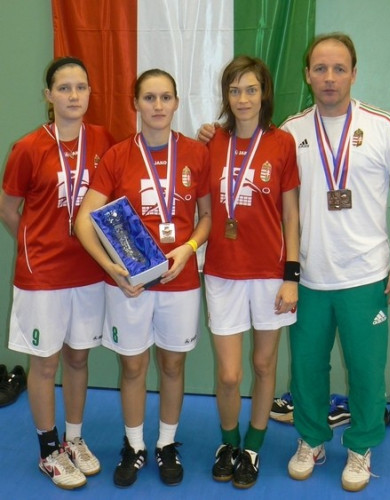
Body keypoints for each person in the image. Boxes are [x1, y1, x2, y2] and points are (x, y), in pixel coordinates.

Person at [280, 33, 390, 492]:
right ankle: (311, 439)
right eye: (320, 68)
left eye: (339, 68)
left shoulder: (383, 125)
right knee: (306, 370)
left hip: (366, 276)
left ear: (354, 74)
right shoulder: (290, 131)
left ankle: (361, 445)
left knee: (365, 370)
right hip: (309, 277)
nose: (329, 77)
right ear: (307, 74)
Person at [74, 69, 211, 488]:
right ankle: (134, 445)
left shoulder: (196, 153)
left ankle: (166, 443)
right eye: (149, 98)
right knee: (133, 366)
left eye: (165, 97)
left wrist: (189, 248)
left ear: (176, 102)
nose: (157, 106)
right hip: (129, 284)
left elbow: (207, 217)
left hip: (179, 280)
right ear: (135, 103)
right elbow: (83, 220)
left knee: (172, 364)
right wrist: (111, 268)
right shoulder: (117, 156)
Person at [0, 57, 114, 489]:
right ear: (48, 95)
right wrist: (35, 244)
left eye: (80, 87)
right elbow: (8, 208)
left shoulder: (103, 139)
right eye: (64, 88)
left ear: (90, 93)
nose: (73, 95)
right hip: (43, 275)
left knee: (79, 357)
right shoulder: (28, 148)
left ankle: (74, 439)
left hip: (87, 271)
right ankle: (49, 450)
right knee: (45, 364)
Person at [202, 56, 300, 489]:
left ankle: (254, 447)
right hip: (223, 270)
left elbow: (291, 215)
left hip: (269, 272)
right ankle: (229, 442)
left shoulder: (282, 143)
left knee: (263, 364)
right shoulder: (211, 143)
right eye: (235, 90)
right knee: (229, 374)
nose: (243, 98)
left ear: (264, 93)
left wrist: (291, 276)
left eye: (251, 89)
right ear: (226, 96)